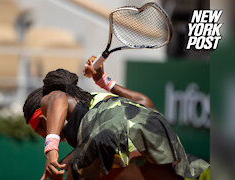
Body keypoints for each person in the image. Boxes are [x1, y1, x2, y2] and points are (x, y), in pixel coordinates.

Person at [22, 57, 209, 180]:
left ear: (43, 119)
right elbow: (144, 102)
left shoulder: (53, 99)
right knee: (179, 173)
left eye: (39, 130)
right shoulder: (96, 99)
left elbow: (57, 98)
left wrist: (51, 151)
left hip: (109, 132)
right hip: (153, 125)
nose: (41, 135)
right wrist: (105, 81)